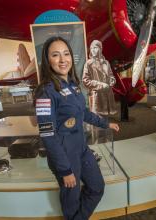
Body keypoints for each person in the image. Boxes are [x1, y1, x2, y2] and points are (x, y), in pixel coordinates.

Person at [34, 36, 119, 220]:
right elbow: (48, 136)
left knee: (97, 187)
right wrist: (65, 170)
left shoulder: (73, 85)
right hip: (65, 156)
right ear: (47, 60)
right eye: (55, 55)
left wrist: (105, 123)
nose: (63, 60)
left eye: (66, 54)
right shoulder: (45, 91)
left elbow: (84, 113)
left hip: (81, 149)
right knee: (71, 203)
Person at [82, 40, 117, 115]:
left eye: (95, 48)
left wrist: (112, 80)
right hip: (97, 97)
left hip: (108, 96)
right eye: (91, 48)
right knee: (97, 121)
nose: (93, 50)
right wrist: (101, 85)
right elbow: (85, 81)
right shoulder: (89, 63)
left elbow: (111, 75)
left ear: (100, 49)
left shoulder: (106, 63)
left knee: (106, 121)